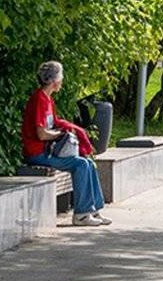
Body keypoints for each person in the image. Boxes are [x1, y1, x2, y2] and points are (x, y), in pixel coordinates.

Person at [21, 61, 109, 227]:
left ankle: (94, 209)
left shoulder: (47, 99)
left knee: (88, 162)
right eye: (61, 77)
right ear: (54, 81)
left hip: (47, 151)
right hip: (38, 153)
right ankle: (81, 215)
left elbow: (53, 123)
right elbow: (42, 133)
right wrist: (61, 134)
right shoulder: (39, 99)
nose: (62, 81)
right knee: (81, 164)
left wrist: (68, 129)